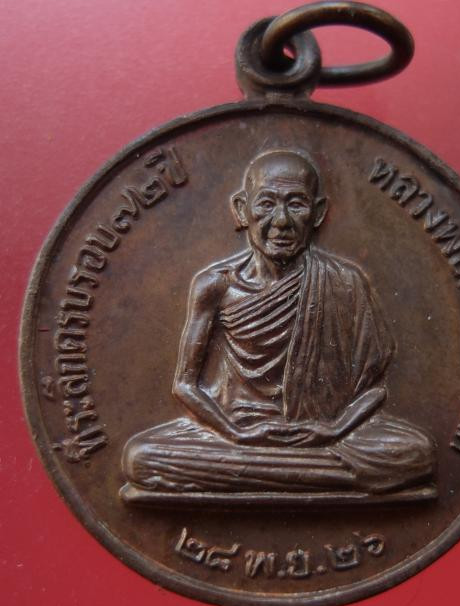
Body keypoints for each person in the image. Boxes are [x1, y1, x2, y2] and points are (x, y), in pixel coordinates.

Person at [121, 149, 436, 500]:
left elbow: (374, 389)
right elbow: (184, 384)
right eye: (267, 204)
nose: (282, 221)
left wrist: (333, 430)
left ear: (318, 213)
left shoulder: (345, 282)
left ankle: (270, 474)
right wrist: (236, 433)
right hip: (235, 433)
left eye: (296, 204)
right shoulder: (216, 285)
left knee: (416, 453)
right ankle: (309, 476)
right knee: (141, 457)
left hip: (323, 435)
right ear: (242, 210)